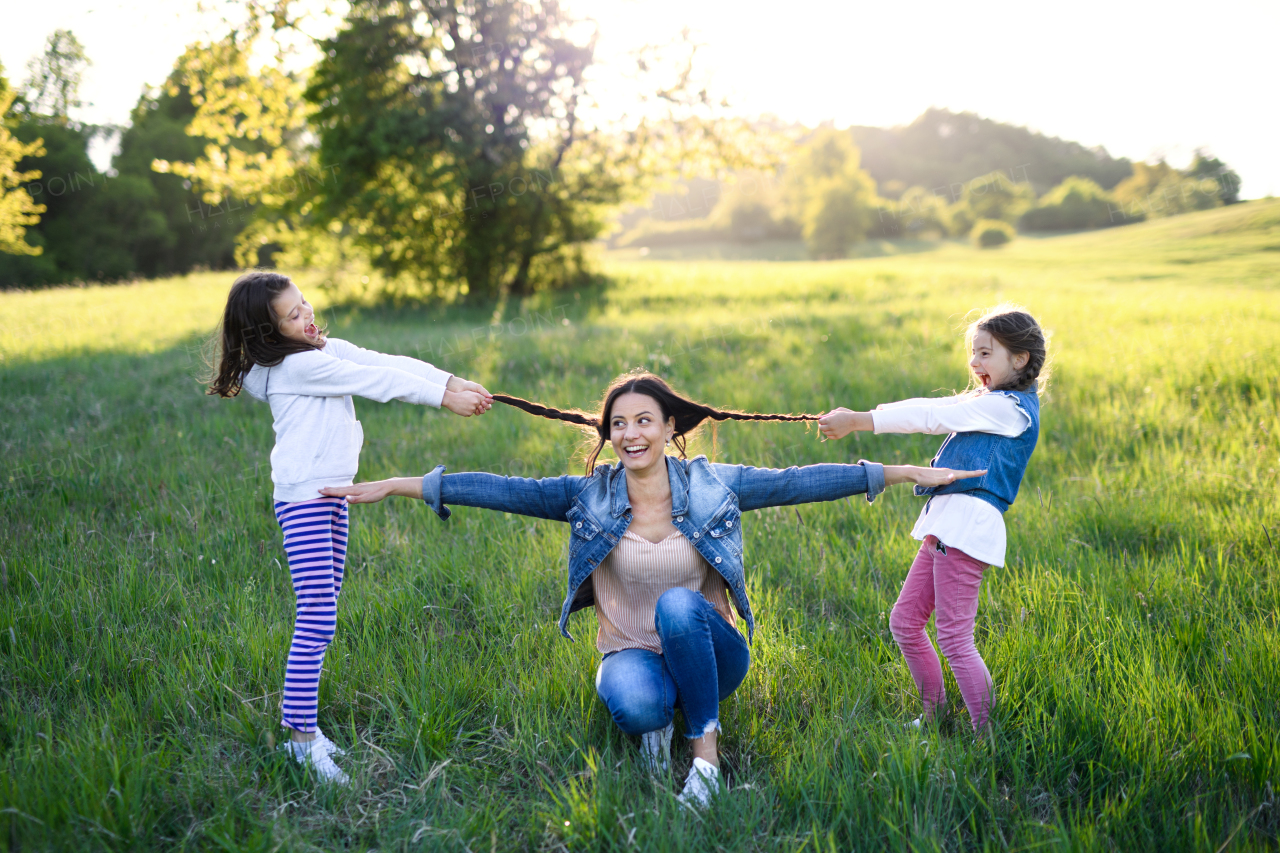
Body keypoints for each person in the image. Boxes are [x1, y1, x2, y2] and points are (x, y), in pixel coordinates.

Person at [321, 372, 983, 807]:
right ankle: (662, 718)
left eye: (644, 420)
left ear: (670, 427)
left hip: (712, 646)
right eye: (618, 424)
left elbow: (800, 480)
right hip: (630, 650)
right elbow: (495, 489)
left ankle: (704, 755)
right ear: (607, 435)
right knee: (637, 708)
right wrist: (392, 485)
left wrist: (901, 471)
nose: (630, 433)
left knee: (677, 604)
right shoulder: (589, 494)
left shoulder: (714, 482)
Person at [207, 270, 492, 784]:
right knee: (316, 616)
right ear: (269, 334)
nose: (308, 315)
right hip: (306, 500)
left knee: (325, 612)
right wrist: (442, 399)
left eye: (305, 304)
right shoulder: (298, 369)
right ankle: (299, 739)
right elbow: (376, 382)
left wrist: (448, 380)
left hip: (329, 493)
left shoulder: (312, 353)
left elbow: (383, 361)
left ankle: (307, 732)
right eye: (293, 316)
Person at [817, 305, 1048, 736]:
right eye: (973, 353)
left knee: (955, 639)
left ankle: (986, 737)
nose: (974, 363)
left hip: (968, 528)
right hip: (946, 527)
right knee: (905, 622)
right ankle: (936, 715)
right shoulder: (989, 403)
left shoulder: (1009, 410)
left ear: (1019, 359)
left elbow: (932, 414)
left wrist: (860, 421)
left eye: (985, 353)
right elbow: (941, 411)